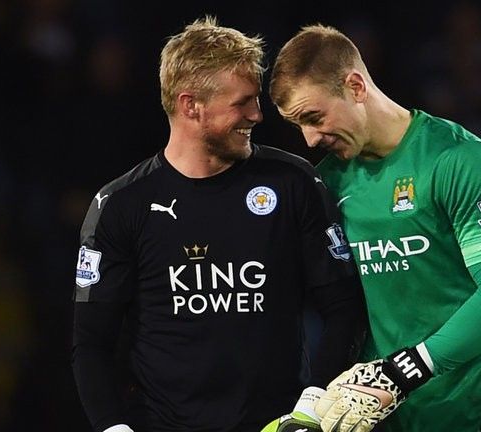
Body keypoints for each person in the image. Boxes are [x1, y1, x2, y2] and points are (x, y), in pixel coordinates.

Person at [71, 17, 366, 432]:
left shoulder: (293, 182)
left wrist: (311, 407)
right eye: (241, 103)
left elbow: (343, 308)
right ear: (191, 105)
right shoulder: (120, 206)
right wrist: (114, 428)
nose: (257, 115)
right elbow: (91, 343)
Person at [269, 24, 481, 432]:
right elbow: (342, 310)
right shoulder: (328, 185)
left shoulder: (460, 161)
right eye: (297, 124)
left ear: (355, 86)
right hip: (403, 419)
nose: (309, 138)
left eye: (314, 118)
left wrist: (405, 370)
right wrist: (314, 402)